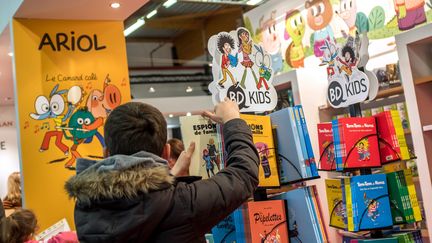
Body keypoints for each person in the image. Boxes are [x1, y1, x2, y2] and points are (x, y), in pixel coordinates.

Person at [65, 98, 259, 242]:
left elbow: (141, 204)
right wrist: (233, 119)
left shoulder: (86, 207)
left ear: (105, 153)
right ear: (166, 152)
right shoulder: (182, 202)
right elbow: (244, 174)